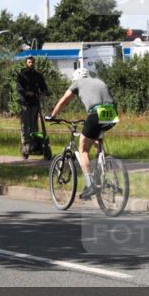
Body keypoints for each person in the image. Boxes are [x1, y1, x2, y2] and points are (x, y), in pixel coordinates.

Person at [46, 67, 119, 199]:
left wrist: (52, 115)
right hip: (112, 113)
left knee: (83, 149)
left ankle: (91, 184)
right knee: (96, 140)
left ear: (76, 78)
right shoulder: (98, 81)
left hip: (96, 113)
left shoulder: (77, 83)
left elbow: (64, 101)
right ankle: (103, 166)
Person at [16, 55, 48, 155]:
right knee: (25, 124)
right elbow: (19, 88)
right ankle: (26, 144)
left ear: (34, 63)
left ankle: (35, 144)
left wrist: (44, 92)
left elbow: (43, 87)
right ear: (26, 63)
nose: (31, 64)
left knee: (34, 124)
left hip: (35, 102)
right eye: (29, 62)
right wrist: (27, 93)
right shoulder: (22, 74)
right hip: (25, 103)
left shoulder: (38, 75)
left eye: (32, 62)